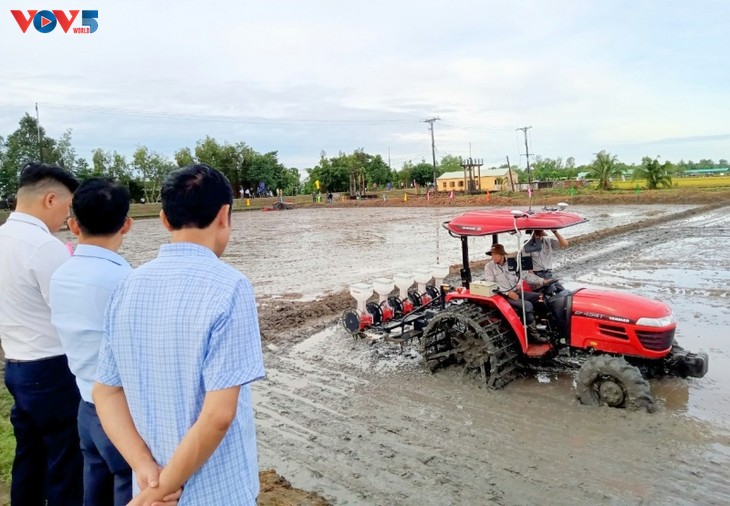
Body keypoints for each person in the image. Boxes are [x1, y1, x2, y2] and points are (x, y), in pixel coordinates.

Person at [93, 164, 266, 505]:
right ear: (224, 215)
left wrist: (145, 471)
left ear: (164, 220)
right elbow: (218, 415)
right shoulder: (229, 286)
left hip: (150, 482)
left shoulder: (128, 285)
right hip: (215, 490)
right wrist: (161, 491)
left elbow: (106, 392)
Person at [0, 162, 83, 505]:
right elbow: (70, 313)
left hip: (16, 365)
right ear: (50, 199)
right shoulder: (43, 246)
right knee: (65, 463)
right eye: (67, 207)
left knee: (29, 458)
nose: (66, 217)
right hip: (51, 368)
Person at [484, 243, 546, 343]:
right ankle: (534, 337)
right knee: (527, 305)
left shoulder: (513, 263)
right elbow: (491, 284)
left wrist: (542, 281)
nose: (494, 257)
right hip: (502, 296)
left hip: (516, 291)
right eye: (492, 254)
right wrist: (507, 293)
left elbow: (526, 276)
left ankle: (541, 324)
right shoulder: (489, 267)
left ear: (502, 254)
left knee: (540, 297)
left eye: (496, 254)